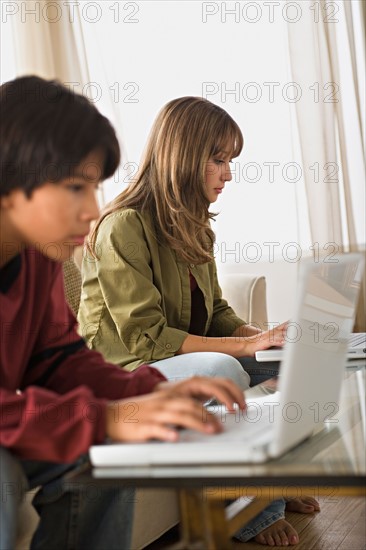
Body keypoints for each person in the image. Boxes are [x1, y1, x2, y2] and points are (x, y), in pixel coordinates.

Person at [0, 77, 247, 550]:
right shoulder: (115, 229)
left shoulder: (39, 257)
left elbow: (60, 359)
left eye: (94, 188)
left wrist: (155, 392)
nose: (93, 211)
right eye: (76, 187)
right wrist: (106, 417)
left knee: (116, 445)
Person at [78, 96, 319, 546]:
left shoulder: (195, 225)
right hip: (124, 369)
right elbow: (146, 338)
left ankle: (283, 478)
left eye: (229, 160)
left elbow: (218, 313)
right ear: (183, 157)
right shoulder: (123, 226)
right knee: (222, 369)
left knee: (295, 363)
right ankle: (252, 511)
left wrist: (266, 339)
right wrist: (245, 349)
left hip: (170, 360)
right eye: (218, 159)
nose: (228, 173)